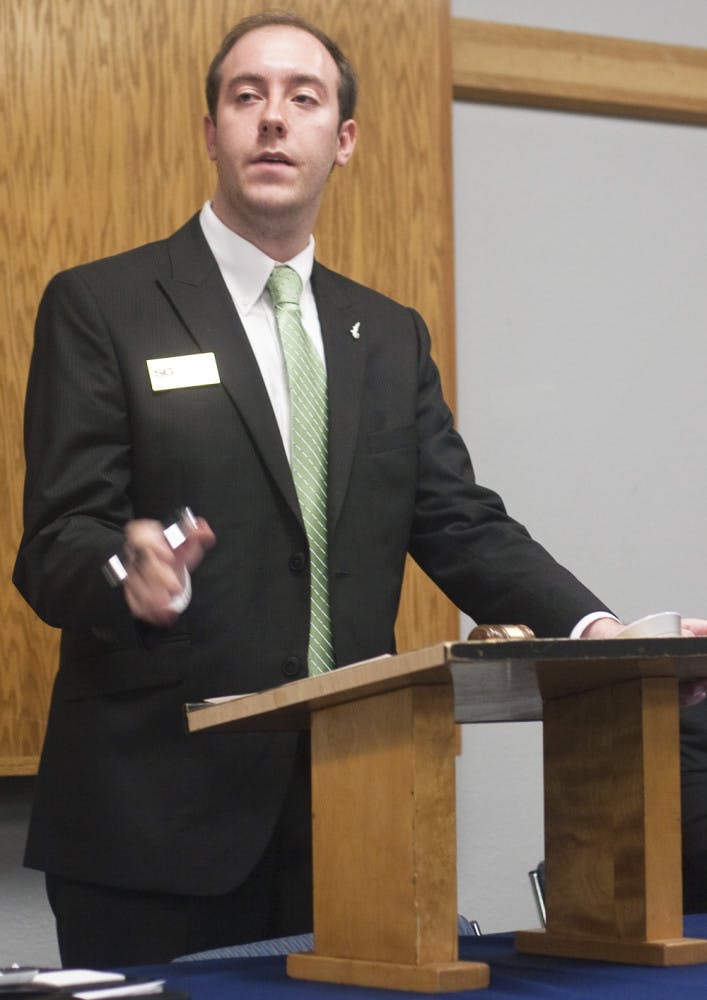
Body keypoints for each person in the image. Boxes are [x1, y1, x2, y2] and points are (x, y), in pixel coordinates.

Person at [13, 10, 707, 968]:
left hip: (357, 808)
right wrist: (122, 575)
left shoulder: (385, 334)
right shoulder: (102, 306)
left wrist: (599, 633)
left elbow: (458, 521)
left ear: (342, 142)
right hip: (155, 819)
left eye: (303, 99)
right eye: (245, 95)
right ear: (209, 128)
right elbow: (54, 542)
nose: (271, 119)